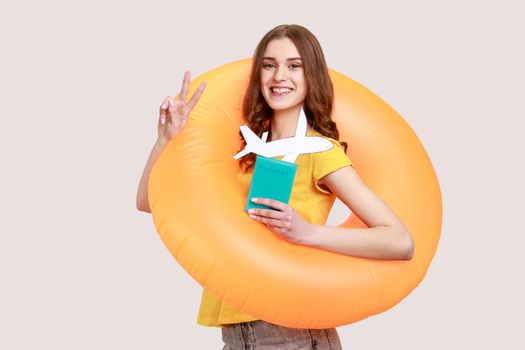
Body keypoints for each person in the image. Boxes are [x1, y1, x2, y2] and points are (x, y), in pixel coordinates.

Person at [137, 24, 414, 350]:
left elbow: (400, 241)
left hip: (293, 334)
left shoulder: (320, 151)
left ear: (311, 76)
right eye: (269, 65)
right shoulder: (243, 153)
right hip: (236, 335)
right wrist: (166, 139)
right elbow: (148, 201)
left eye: (294, 66)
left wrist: (307, 232)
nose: (279, 75)